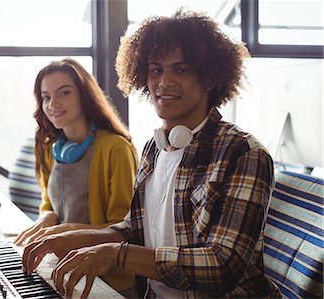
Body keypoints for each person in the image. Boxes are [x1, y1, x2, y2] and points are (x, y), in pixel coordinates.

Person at [21, 9, 282, 299]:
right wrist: (77, 237)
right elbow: (137, 228)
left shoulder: (243, 153)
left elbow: (221, 265)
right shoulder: (155, 147)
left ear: (209, 77)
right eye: (156, 69)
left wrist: (116, 255)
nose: (163, 81)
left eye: (180, 69)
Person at [14, 58, 138, 292]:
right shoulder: (48, 147)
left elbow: (124, 228)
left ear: (84, 95)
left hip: (104, 279)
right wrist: (47, 217)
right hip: (59, 266)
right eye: (46, 97)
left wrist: (66, 230)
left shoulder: (116, 149)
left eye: (64, 93)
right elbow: (48, 203)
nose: (53, 104)